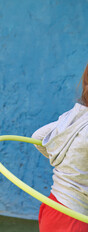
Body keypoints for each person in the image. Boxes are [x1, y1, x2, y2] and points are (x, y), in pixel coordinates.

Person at [32, 64, 88, 232]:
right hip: (76, 218)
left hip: (53, 206)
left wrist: (64, 161)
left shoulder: (74, 116)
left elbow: (38, 137)